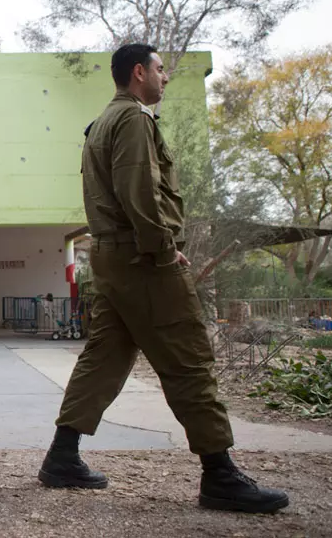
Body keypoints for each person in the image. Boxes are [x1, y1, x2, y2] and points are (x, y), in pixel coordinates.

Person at [37, 44, 289, 514]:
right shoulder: (133, 119)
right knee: (189, 355)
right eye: (159, 69)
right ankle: (220, 474)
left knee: (105, 356)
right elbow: (140, 189)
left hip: (113, 260)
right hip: (143, 259)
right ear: (138, 73)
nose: (165, 78)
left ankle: (62, 455)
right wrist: (162, 247)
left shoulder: (100, 125)